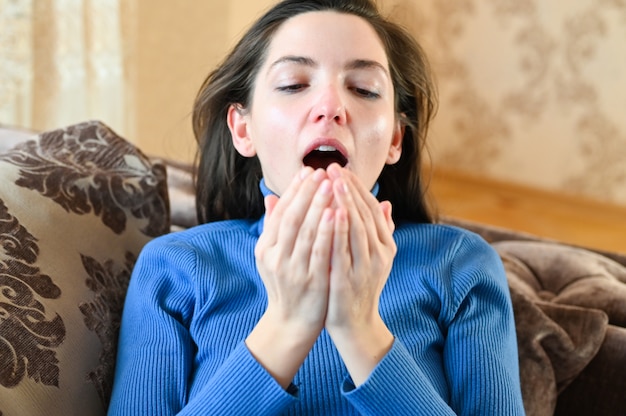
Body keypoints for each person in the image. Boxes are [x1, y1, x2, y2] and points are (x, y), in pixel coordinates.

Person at [108, 0, 525, 414]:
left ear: (396, 137)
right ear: (242, 127)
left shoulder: (462, 265)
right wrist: (287, 325)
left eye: (364, 89)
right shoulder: (174, 267)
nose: (331, 107)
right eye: (293, 84)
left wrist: (360, 329)